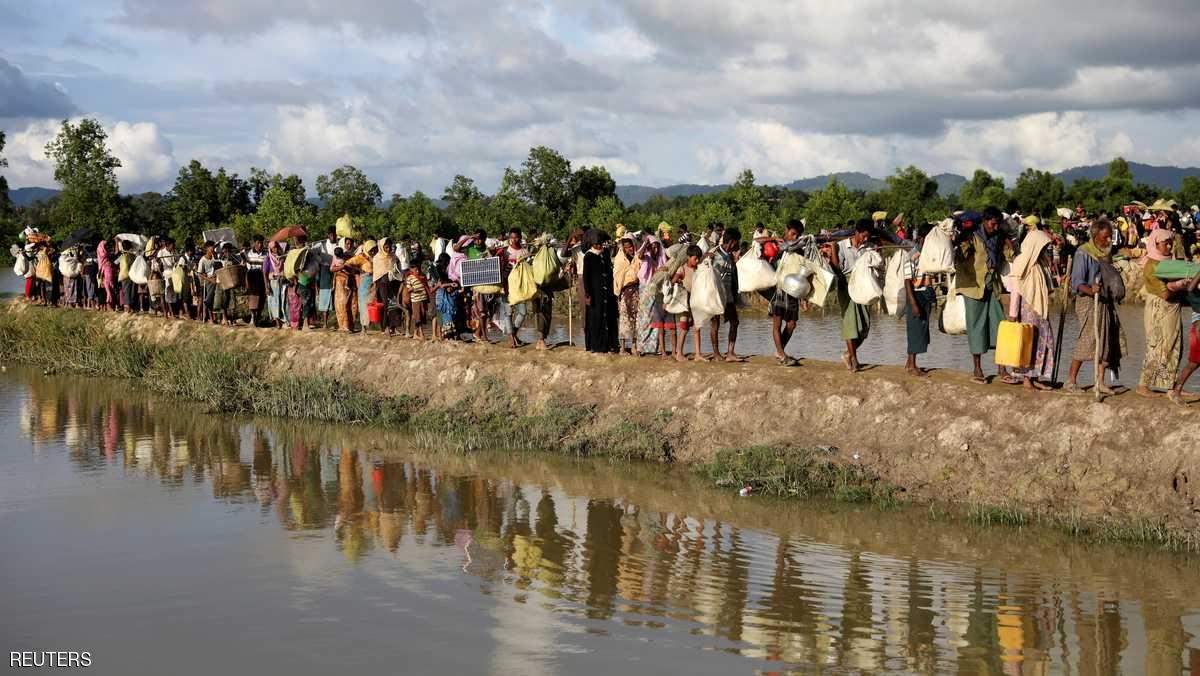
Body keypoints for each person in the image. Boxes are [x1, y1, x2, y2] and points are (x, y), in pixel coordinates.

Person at [1065, 218, 1128, 395]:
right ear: (1095, 236)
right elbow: (1076, 282)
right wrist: (1091, 290)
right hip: (1088, 302)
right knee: (1088, 339)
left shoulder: (1105, 253)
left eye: (1110, 237)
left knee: (1106, 340)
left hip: (1104, 301)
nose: (1108, 241)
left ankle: (1099, 382)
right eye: (1105, 237)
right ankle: (1071, 381)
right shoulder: (1083, 253)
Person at [955, 208, 1007, 384]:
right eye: (993, 223)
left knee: (1000, 324)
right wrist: (961, 243)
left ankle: (1002, 368)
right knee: (976, 326)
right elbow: (961, 256)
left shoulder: (998, 236)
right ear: (984, 221)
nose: (995, 226)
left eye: (998, 223)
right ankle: (977, 368)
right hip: (974, 286)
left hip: (992, 284)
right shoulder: (972, 236)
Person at [1006, 229, 1057, 391]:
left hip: (1040, 311)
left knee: (1041, 342)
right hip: (1026, 310)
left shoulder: (1040, 262)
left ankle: (1035, 376)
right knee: (1027, 342)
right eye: (1042, 246)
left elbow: (1047, 287)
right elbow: (1015, 289)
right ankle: (1026, 378)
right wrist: (1013, 314)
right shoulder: (1022, 261)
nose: (1044, 250)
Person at [1137, 229, 1185, 397]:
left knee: (1174, 345)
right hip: (1159, 308)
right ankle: (1143, 384)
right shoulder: (1151, 265)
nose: (1170, 246)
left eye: (1171, 243)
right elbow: (1164, 293)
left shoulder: (1169, 263)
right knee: (1156, 346)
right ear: (1155, 244)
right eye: (1166, 243)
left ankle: (1172, 386)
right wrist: (1180, 285)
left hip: (1172, 308)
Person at [828, 219, 872, 372]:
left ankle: (848, 354)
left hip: (862, 285)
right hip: (845, 283)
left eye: (868, 237)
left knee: (865, 325)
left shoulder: (869, 247)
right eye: (863, 236)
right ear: (857, 233)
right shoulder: (841, 245)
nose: (865, 239)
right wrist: (833, 249)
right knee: (850, 322)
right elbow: (836, 266)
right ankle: (853, 358)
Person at [767, 220, 804, 366]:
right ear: (786, 229)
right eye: (792, 233)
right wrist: (773, 240)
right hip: (780, 288)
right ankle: (781, 354)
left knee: (791, 324)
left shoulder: (799, 248)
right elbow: (758, 242)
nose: (794, 237)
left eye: (797, 235)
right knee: (776, 324)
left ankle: (779, 351)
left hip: (793, 290)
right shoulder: (778, 246)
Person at [903, 223, 935, 377]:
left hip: (926, 292)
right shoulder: (912, 255)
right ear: (922, 239)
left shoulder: (929, 255)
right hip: (916, 294)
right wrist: (913, 303)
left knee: (921, 329)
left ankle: (910, 363)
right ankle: (912, 365)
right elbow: (907, 281)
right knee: (915, 330)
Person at [582, 231, 618, 354]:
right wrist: (588, 294)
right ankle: (596, 345)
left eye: (601, 243)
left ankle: (610, 344)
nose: (600, 245)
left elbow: (609, 270)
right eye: (598, 243)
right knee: (595, 317)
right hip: (595, 292)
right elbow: (586, 277)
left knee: (609, 316)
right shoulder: (589, 256)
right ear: (593, 244)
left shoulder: (605, 253)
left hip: (607, 291)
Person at [1169, 270, 1200, 404]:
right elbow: (1190, 289)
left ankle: (1176, 390)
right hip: (1198, 331)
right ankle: (1176, 391)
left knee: (1194, 363)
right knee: (1194, 362)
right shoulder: (1196, 296)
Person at [635, 234, 669, 356]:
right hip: (646, 290)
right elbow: (639, 255)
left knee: (656, 318)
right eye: (653, 247)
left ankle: (654, 347)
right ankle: (641, 347)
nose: (655, 250)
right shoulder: (646, 258)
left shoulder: (660, 260)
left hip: (657, 291)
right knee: (644, 318)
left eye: (657, 247)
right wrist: (645, 243)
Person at [672, 245, 702, 362]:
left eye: (698, 259)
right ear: (688, 257)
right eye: (695, 259)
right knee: (684, 328)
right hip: (685, 303)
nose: (697, 261)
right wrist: (678, 280)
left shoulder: (698, 269)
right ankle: (679, 353)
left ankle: (698, 354)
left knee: (697, 327)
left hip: (696, 302)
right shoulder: (682, 269)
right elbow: (674, 280)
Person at [613, 235, 641, 355]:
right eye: (626, 247)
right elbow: (617, 276)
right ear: (623, 248)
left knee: (636, 319)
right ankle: (622, 348)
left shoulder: (638, 258)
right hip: (624, 292)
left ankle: (634, 346)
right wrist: (619, 291)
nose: (629, 249)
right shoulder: (619, 260)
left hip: (636, 291)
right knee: (624, 319)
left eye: (630, 246)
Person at [330, 240, 360, 332]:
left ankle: (350, 326)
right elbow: (331, 268)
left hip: (350, 282)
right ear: (344, 244)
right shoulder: (337, 257)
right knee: (341, 304)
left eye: (351, 243)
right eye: (347, 243)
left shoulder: (353, 256)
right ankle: (342, 325)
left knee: (352, 304)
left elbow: (356, 269)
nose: (349, 245)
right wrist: (341, 268)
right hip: (340, 283)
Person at [404, 258, 432, 341]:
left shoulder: (422, 276)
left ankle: (416, 334)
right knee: (418, 317)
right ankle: (421, 333)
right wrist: (413, 289)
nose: (417, 270)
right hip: (415, 300)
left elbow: (426, 286)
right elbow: (408, 289)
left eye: (417, 268)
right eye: (414, 268)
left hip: (423, 299)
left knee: (422, 316)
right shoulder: (410, 278)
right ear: (411, 269)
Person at [243, 236, 266, 325]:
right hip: (252, 276)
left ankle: (258, 318)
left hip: (262, 276)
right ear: (254, 243)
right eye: (258, 243)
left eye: (261, 243)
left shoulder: (265, 254)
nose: (260, 245)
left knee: (261, 298)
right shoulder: (248, 254)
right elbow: (246, 267)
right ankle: (253, 317)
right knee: (253, 298)